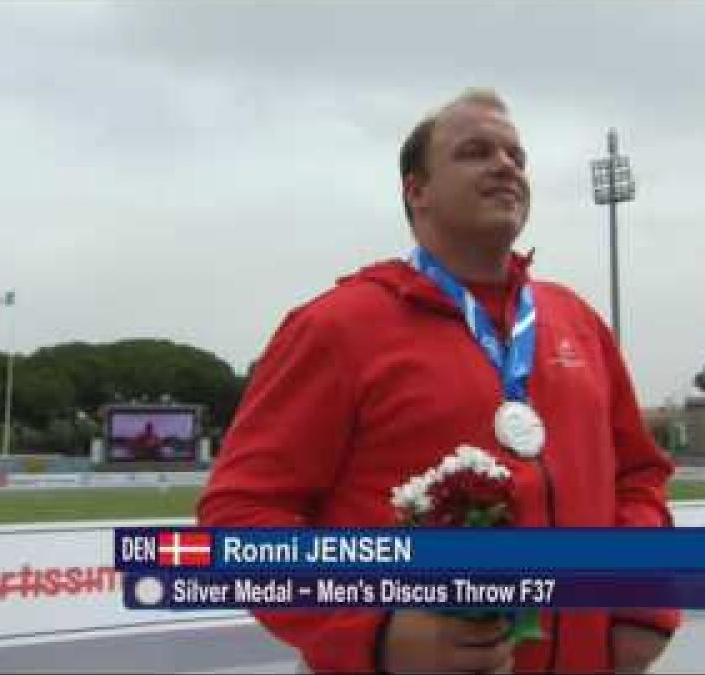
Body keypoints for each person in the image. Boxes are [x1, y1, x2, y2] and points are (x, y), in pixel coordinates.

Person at [199, 88, 678, 673]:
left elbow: (638, 477)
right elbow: (241, 516)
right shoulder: (337, 326)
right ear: (416, 191)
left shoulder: (576, 321)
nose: (505, 166)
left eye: (516, 156)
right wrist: (378, 631)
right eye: (476, 152)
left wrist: (641, 600)